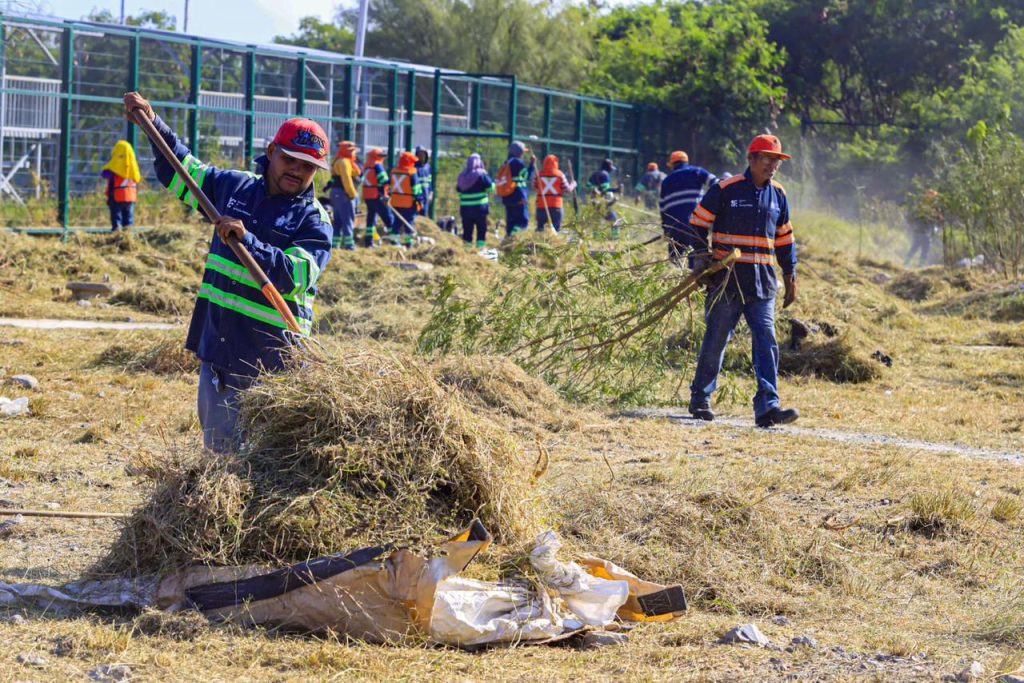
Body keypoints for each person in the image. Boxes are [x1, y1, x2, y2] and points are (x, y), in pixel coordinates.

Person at [123, 92, 332, 453]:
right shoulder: (234, 187)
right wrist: (153, 123)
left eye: (308, 166)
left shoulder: (313, 219)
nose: (296, 170)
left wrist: (248, 241)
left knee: (266, 458)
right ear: (271, 152)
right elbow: (182, 170)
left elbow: (295, 276)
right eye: (290, 159)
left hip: (273, 359)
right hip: (220, 346)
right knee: (219, 451)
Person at [683, 134, 799, 429]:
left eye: (777, 161)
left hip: (762, 284)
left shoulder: (779, 195)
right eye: (767, 159)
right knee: (717, 339)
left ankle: (768, 406)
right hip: (727, 282)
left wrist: (790, 274)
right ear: (751, 159)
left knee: (766, 342)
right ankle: (700, 398)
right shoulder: (725, 189)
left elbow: (785, 238)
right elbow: (697, 223)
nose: (773, 165)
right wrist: (699, 257)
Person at [659, 150, 717, 264]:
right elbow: (717, 183)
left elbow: (662, 208)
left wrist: (666, 229)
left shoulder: (666, 181)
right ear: (686, 162)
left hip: (674, 226)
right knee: (698, 259)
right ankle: (695, 274)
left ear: (673, 165)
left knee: (674, 259)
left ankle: (675, 276)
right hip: (695, 224)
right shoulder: (697, 171)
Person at [101, 140, 141, 231]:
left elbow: (104, 174)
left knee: (117, 220)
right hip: (130, 198)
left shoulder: (114, 170)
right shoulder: (133, 169)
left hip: (116, 198)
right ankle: (128, 236)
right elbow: (138, 179)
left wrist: (113, 164)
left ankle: (117, 236)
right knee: (129, 220)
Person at [456, 153, 493, 250]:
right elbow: (491, 187)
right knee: (481, 229)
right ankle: (480, 249)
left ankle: (467, 249)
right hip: (480, 209)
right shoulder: (481, 175)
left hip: (465, 210)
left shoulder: (462, 176)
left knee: (467, 230)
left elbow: (459, 191)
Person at [497, 141, 535, 236]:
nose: (523, 154)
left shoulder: (507, 163)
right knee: (522, 221)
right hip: (518, 196)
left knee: (511, 220)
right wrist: (532, 165)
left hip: (508, 196)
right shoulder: (518, 163)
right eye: (523, 152)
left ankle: (509, 237)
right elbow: (526, 176)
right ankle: (515, 237)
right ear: (519, 153)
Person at [389, 150, 425, 248]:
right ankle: (408, 244)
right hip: (408, 203)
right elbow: (416, 189)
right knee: (408, 224)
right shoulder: (411, 173)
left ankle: (393, 243)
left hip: (395, 203)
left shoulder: (393, 172)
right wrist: (420, 201)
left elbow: (389, 186)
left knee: (396, 223)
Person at [328, 141, 360, 250]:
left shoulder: (338, 160)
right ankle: (349, 245)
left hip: (336, 194)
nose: (354, 153)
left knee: (338, 220)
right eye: (352, 151)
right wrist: (352, 194)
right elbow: (347, 179)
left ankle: (335, 244)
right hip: (344, 194)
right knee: (348, 219)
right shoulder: (344, 162)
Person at [534, 154, 575, 233]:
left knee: (540, 228)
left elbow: (535, 186)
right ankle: (554, 243)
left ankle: (538, 243)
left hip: (542, 205)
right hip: (556, 206)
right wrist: (573, 184)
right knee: (556, 229)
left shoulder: (539, 174)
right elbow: (567, 189)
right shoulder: (560, 175)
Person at [362, 148, 394, 247]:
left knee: (371, 219)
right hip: (378, 196)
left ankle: (369, 242)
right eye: (381, 156)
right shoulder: (378, 165)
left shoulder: (366, 166)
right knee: (388, 217)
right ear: (377, 156)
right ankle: (394, 241)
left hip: (368, 196)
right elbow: (383, 181)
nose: (383, 158)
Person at [906, 189, 941, 266]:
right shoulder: (922, 205)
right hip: (920, 228)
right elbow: (914, 215)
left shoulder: (934, 206)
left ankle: (920, 264)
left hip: (927, 229)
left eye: (933, 196)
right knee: (917, 246)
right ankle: (908, 262)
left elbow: (938, 217)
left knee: (924, 248)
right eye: (930, 195)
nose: (932, 197)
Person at [587, 158, 620, 237]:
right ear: (608, 167)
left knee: (597, 218)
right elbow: (605, 189)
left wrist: (593, 190)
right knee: (614, 219)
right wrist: (616, 190)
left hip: (594, 200)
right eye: (611, 168)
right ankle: (615, 238)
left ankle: (596, 237)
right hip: (604, 200)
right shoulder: (605, 175)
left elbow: (588, 185)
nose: (611, 170)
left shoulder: (595, 174)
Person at [414, 145, 433, 217]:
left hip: (426, 196)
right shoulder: (414, 167)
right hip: (417, 198)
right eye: (419, 154)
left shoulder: (428, 167)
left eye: (423, 154)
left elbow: (430, 182)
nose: (422, 156)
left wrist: (431, 193)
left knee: (424, 216)